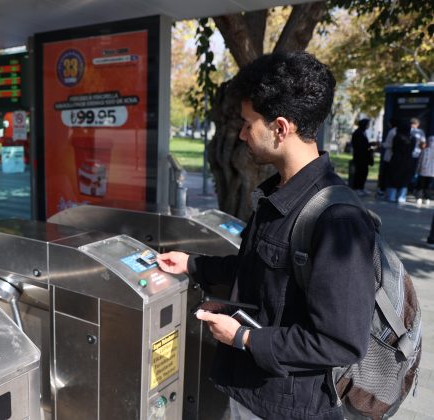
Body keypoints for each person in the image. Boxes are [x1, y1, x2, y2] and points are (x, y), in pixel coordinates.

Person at [157, 52, 376, 420]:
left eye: (248, 124)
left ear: (280, 128)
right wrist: (194, 265)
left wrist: (244, 337)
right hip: (251, 390)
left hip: (289, 407)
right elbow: (265, 272)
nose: (242, 134)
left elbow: (340, 341)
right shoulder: (279, 193)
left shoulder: (339, 220)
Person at [386, 119, 418, 203]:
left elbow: (394, 148)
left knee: (394, 177)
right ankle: (401, 197)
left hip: (396, 159)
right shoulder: (413, 138)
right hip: (408, 160)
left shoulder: (397, 137)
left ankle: (392, 196)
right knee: (405, 179)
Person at [350, 118, 373, 195]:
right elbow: (359, 146)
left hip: (364, 157)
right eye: (368, 124)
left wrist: (370, 144)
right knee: (359, 172)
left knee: (364, 172)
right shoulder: (358, 133)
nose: (369, 126)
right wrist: (369, 145)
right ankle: (357, 188)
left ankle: (361, 187)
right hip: (360, 157)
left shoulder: (363, 132)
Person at [415, 135, 434, 205]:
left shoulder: (425, 150)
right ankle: (427, 198)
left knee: (421, 185)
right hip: (432, 172)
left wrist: (417, 170)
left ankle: (419, 197)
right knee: (428, 185)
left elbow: (421, 161)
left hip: (423, 170)